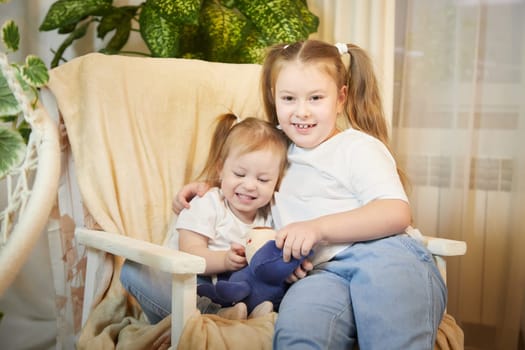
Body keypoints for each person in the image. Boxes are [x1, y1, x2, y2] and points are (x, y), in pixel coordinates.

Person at [173, 40, 447, 349]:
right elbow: (247, 175)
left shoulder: (357, 147)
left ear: (340, 98)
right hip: (318, 274)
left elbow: (395, 212)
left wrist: (316, 230)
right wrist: (209, 186)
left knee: (392, 337)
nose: (301, 112)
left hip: (383, 255)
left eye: (316, 98)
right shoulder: (277, 151)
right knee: (298, 337)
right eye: (289, 98)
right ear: (273, 98)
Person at [120, 113, 289, 323]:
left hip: (241, 294)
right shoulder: (208, 203)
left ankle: (241, 317)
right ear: (221, 169)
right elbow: (189, 252)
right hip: (194, 287)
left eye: (263, 179)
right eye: (239, 174)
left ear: (277, 181)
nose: (249, 185)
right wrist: (225, 260)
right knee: (133, 270)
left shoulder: (270, 215)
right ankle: (214, 317)